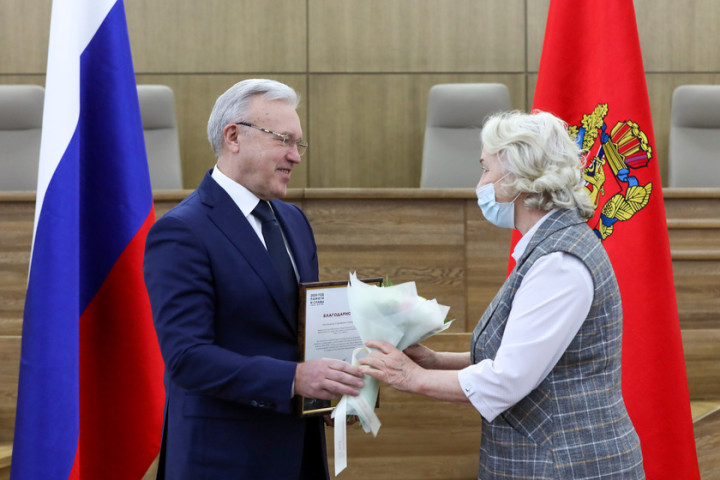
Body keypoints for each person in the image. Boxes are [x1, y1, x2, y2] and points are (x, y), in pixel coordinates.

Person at [359, 110, 646, 479]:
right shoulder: (552, 245)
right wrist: (435, 360)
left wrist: (410, 377)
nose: (479, 184)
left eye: (486, 170)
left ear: (517, 178)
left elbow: (507, 379)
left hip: (565, 465)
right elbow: (525, 354)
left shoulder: (559, 262)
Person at [143, 78, 364, 480]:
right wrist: (295, 379)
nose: (295, 156)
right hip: (222, 460)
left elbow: (298, 332)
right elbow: (187, 358)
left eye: (299, 143)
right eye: (284, 140)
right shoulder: (182, 231)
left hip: (300, 454)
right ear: (233, 137)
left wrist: (331, 389)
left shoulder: (293, 221)